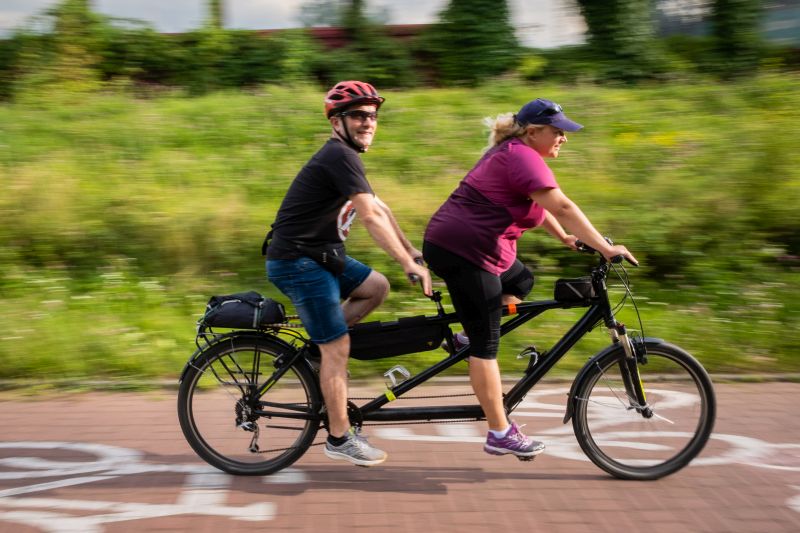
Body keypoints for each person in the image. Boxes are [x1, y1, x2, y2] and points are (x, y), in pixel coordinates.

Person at [422, 98, 637, 458]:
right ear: (534, 131)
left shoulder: (516, 152)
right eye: (558, 132)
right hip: (466, 251)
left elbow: (544, 205)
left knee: (520, 282)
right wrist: (604, 247)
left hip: (477, 248)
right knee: (486, 346)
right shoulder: (520, 155)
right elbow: (562, 205)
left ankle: (465, 339)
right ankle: (499, 432)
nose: (563, 139)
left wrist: (568, 238)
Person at [264, 80, 432, 467]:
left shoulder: (347, 158)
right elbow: (370, 217)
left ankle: (318, 350)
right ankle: (339, 438)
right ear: (336, 121)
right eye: (358, 115)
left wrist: (410, 251)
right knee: (338, 347)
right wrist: (407, 264)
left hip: (322, 255)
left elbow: (379, 208)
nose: (368, 122)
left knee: (375, 288)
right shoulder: (339, 155)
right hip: (298, 260)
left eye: (372, 116)